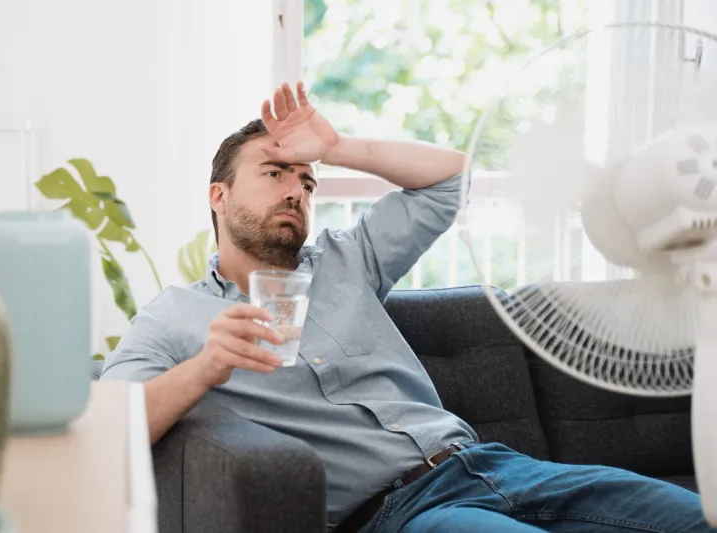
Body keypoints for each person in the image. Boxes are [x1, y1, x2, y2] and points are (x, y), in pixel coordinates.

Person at [99, 81, 714, 533]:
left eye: (306, 181)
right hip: (400, 512)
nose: (295, 190)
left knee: (694, 516)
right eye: (275, 173)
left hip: (489, 465)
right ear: (218, 195)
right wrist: (207, 365)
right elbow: (112, 430)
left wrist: (335, 148)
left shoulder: (346, 261)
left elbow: (449, 181)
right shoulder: (174, 318)